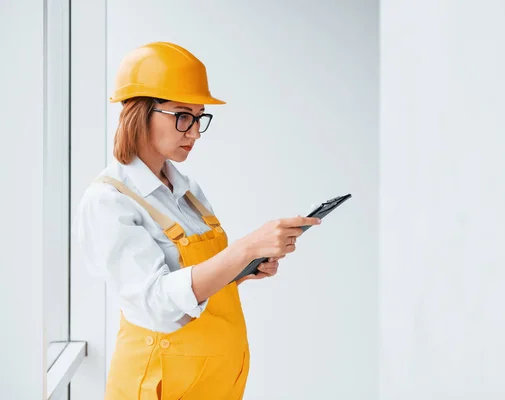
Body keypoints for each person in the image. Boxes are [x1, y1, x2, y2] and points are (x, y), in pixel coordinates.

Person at [72, 41, 321, 400]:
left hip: (212, 384)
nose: (194, 131)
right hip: (160, 386)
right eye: (182, 115)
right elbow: (157, 303)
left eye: (199, 117)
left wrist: (242, 270)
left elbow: (193, 281)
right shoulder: (108, 202)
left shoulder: (186, 191)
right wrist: (244, 249)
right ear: (139, 112)